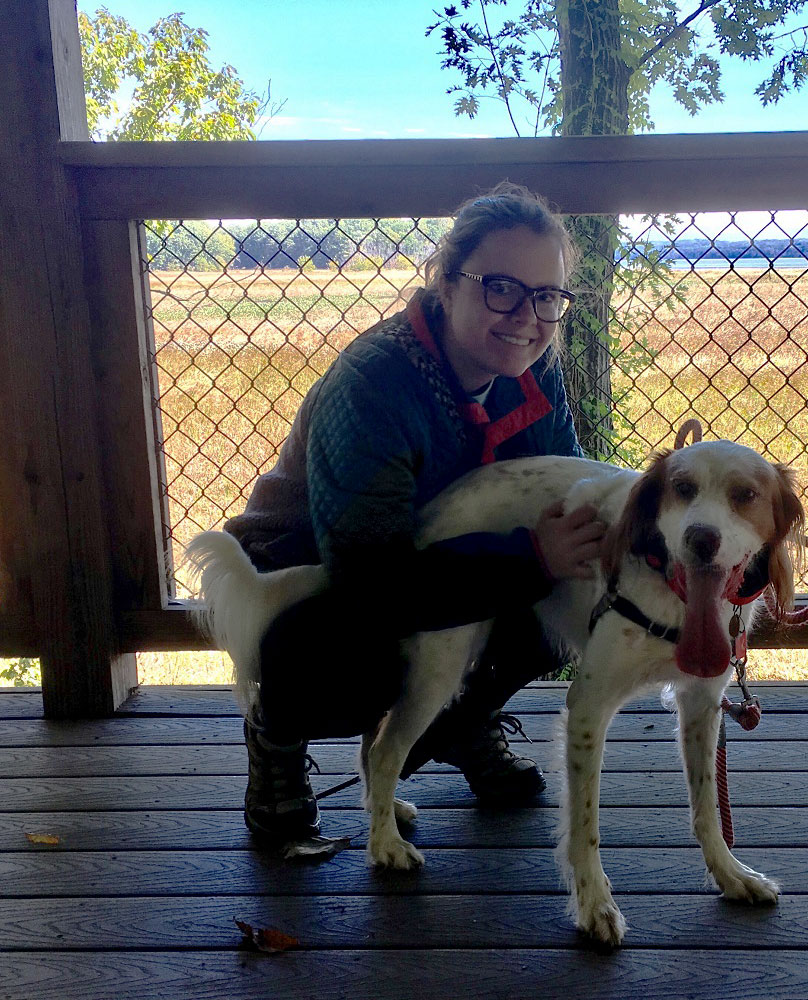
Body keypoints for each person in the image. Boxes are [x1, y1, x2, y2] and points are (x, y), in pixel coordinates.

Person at [224, 181, 606, 850]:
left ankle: (462, 720)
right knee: (359, 660)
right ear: (448, 282)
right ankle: (277, 735)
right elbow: (372, 583)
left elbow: (566, 496)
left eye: (546, 296)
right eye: (501, 288)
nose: (527, 316)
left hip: (444, 558)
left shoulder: (535, 369)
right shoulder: (376, 384)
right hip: (311, 569)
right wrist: (531, 559)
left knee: (553, 617)